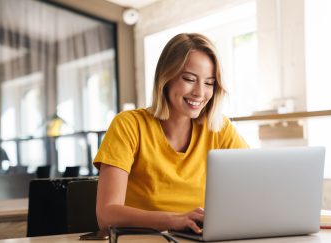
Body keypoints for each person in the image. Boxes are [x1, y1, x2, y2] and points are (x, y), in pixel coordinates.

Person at [93, 33, 248, 234]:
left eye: (209, 83)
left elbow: (255, 184)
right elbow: (106, 216)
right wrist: (174, 220)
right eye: (190, 79)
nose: (200, 93)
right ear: (166, 78)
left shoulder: (219, 128)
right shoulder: (129, 125)